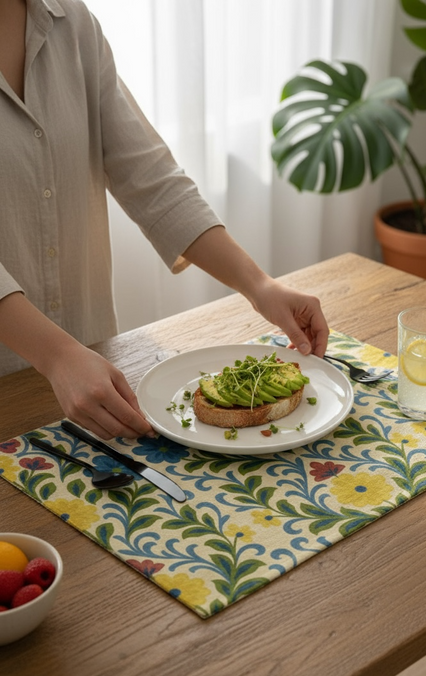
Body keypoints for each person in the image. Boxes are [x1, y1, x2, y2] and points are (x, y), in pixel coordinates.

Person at [0, 0, 329, 440]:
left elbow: (151, 179)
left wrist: (260, 286)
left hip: (97, 379)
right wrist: (57, 356)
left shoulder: (70, 22)